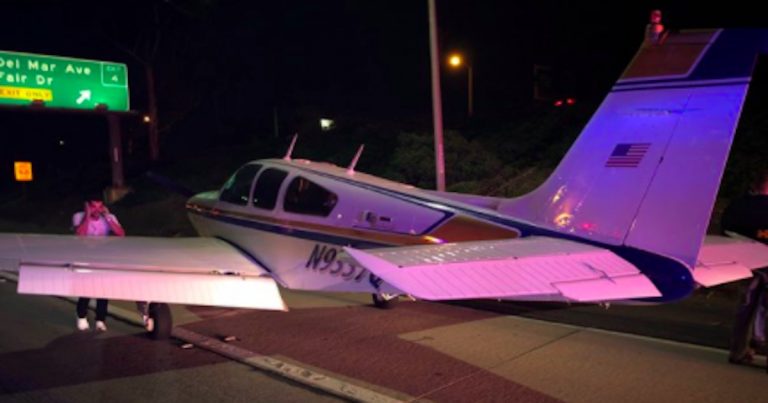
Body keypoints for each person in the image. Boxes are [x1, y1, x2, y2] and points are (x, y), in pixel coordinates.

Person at [73, 196, 125, 331]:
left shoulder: (109, 217)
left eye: (99, 206)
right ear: (88, 205)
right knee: (86, 288)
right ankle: (81, 315)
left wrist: (107, 216)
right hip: (85, 256)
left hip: (104, 256)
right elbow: (80, 234)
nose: (96, 209)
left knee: (103, 288)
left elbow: (121, 234)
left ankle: (100, 319)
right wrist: (87, 216)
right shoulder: (79, 216)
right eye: (93, 206)